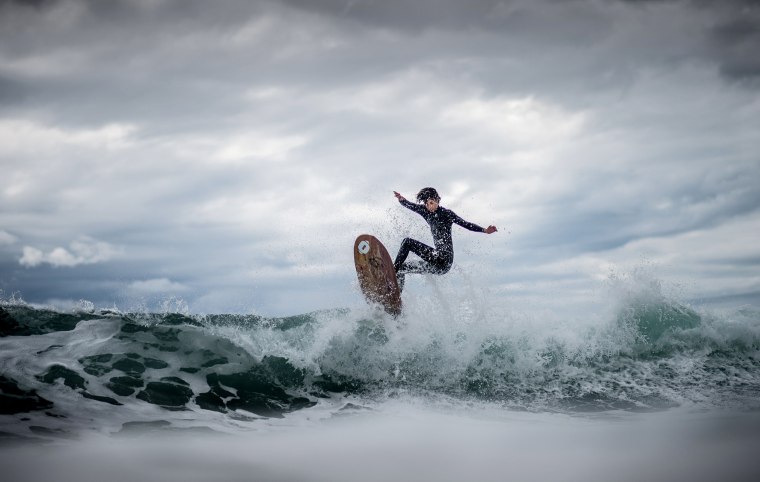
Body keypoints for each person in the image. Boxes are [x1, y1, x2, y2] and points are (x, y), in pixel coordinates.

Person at [392, 187, 497, 292]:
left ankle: (392, 272)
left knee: (407, 242)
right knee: (402, 267)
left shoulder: (447, 214)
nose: (430, 206)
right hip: (435, 264)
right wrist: (401, 199)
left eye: (432, 202)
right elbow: (410, 205)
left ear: (437, 200)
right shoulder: (425, 211)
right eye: (428, 204)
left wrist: (485, 230)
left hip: (444, 260)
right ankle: (396, 295)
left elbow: (466, 224)